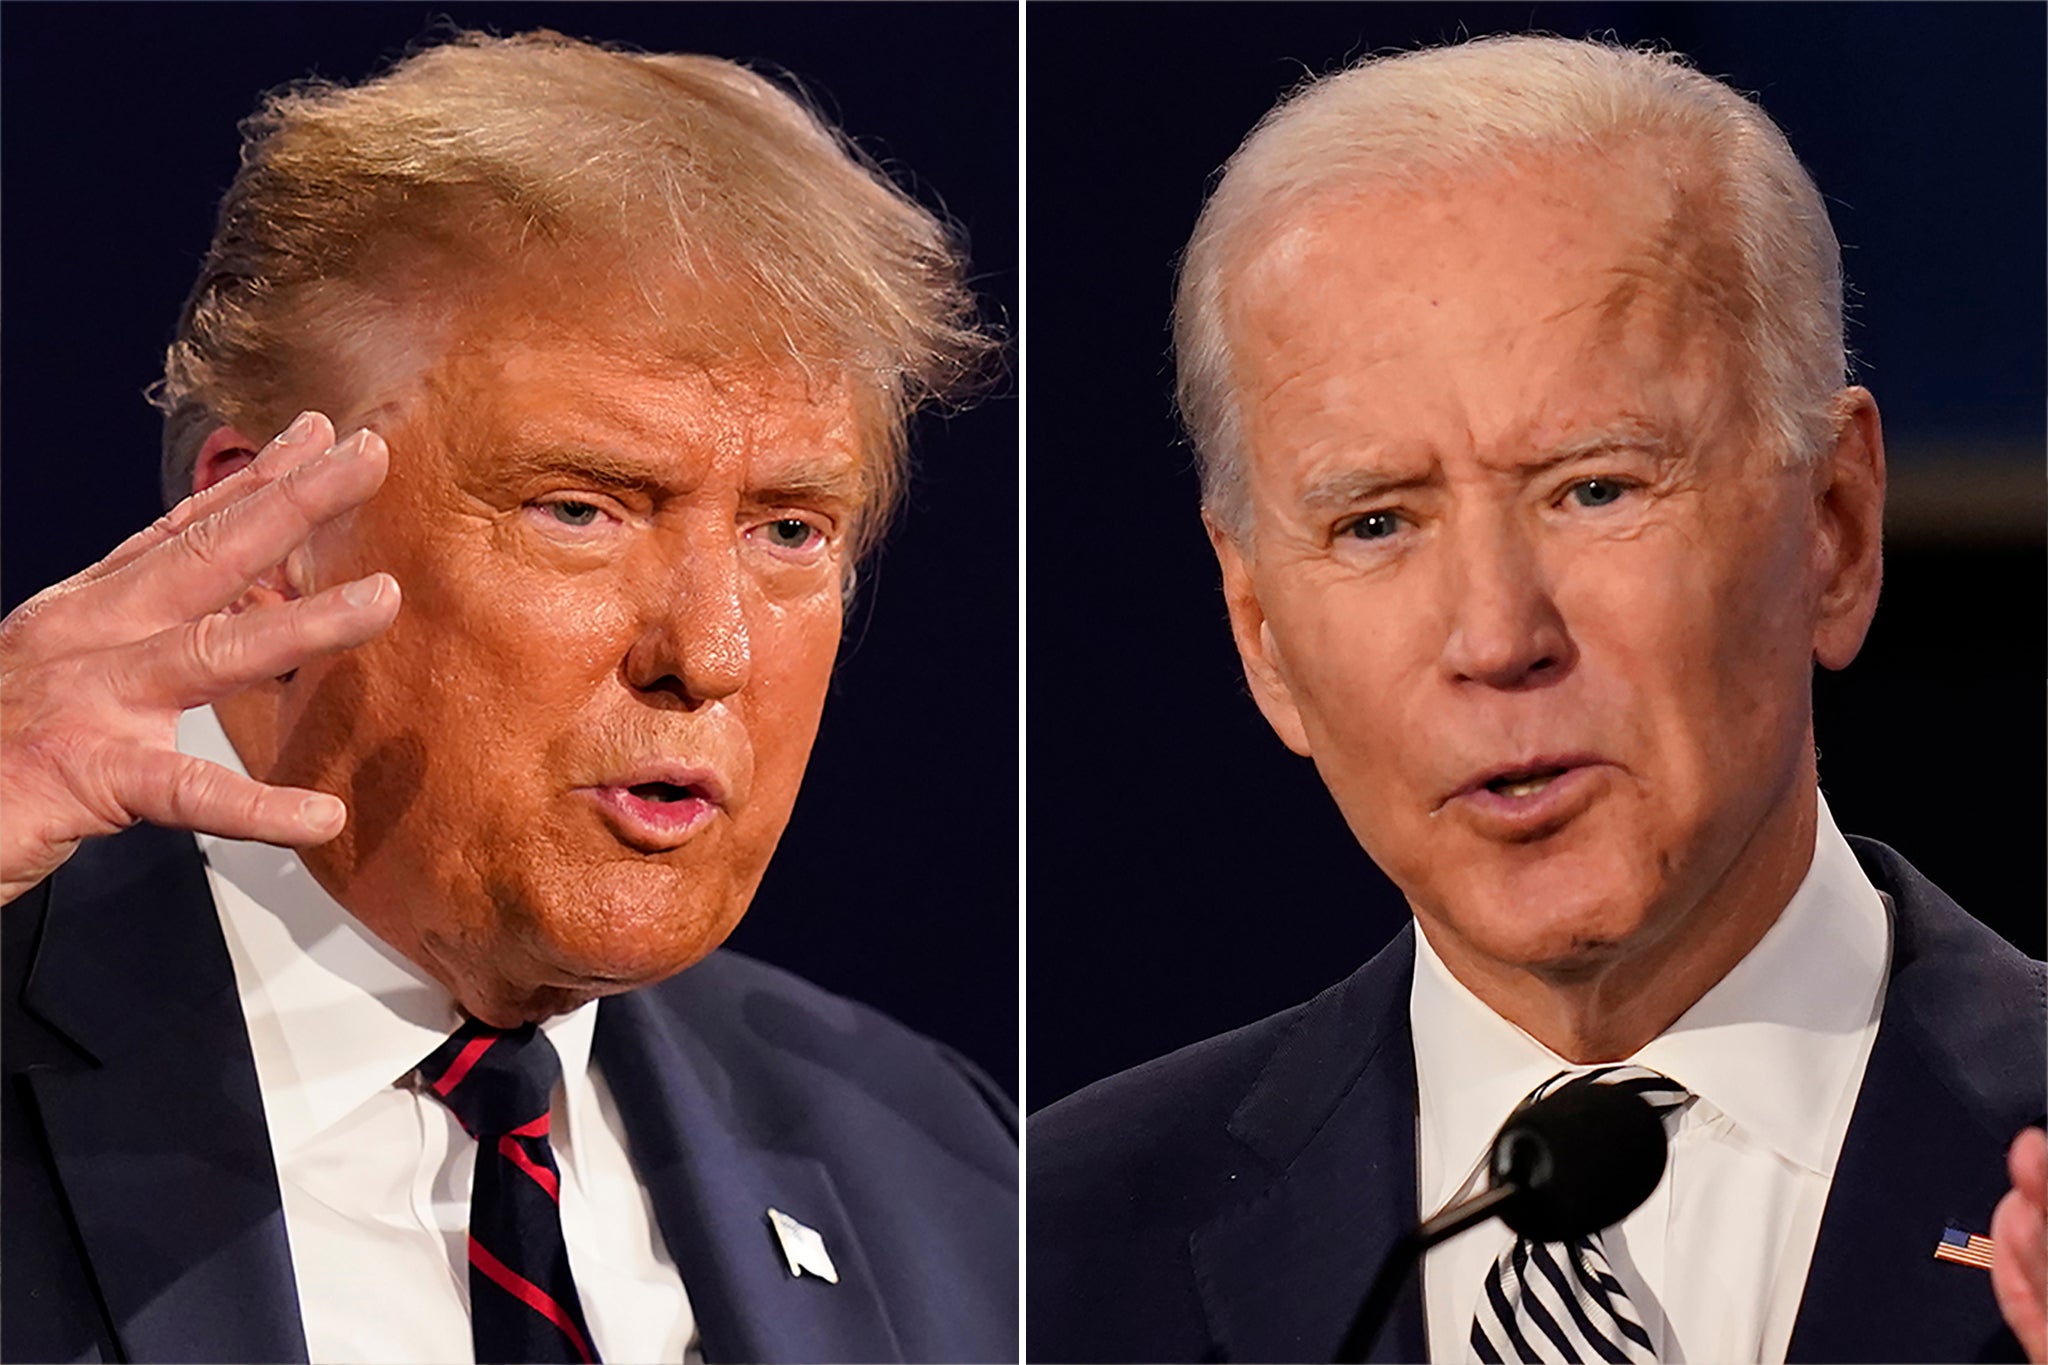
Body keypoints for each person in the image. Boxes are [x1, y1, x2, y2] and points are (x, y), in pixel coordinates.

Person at [0, 29, 1014, 1365]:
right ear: (262, 541)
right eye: (582, 508)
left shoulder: (934, 1158)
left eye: (789, 531)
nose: (708, 652)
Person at [1028, 34, 2045, 1364]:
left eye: (1598, 487)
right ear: (1262, 633)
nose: (1497, 636)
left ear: (1837, 529)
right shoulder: (1051, 1254)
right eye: (1379, 520)